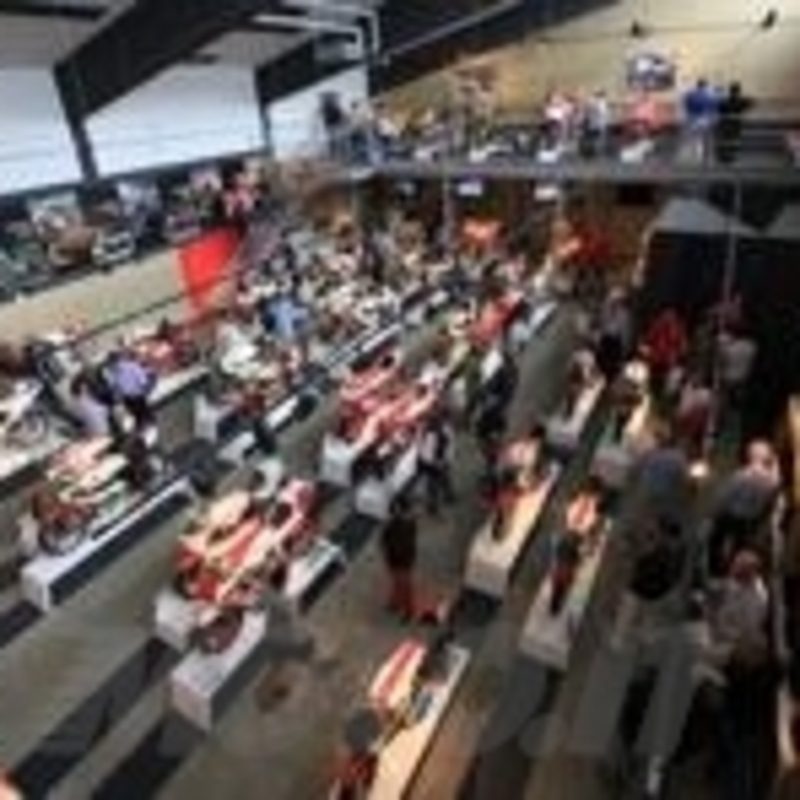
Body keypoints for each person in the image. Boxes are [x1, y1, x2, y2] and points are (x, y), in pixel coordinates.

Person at [708, 440, 781, 577]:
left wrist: (714, 513)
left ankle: (716, 571)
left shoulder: (741, 476)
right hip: (753, 521)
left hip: (732, 518)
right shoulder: (771, 480)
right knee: (741, 548)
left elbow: (724, 499)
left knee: (716, 540)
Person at [379, 495, 418, 621]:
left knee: (404, 585)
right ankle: (395, 603)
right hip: (397, 558)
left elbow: (396, 541)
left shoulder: (405, 524)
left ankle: (408, 610)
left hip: (402, 559)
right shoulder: (401, 522)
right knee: (397, 582)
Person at [104, 348, 156, 430]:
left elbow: (113, 387)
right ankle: (149, 424)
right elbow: (142, 379)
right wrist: (145, 386)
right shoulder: (131, 365)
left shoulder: (111, 372)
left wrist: (118, 397)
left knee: (136, 414)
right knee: (144, 411)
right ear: (120, 357)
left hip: (127, 398)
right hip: (138, 394)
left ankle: (142, 426)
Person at [418, 412, 456, 515]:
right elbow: (422, 445)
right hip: (432, 461)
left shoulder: (440, 432)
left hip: (436, 461)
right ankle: (443, 499)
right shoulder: (427, 430)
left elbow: (447, 446)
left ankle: (436, 503)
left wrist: (444, 460)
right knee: (437, 481)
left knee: (435, 482)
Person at [715, 82, 752, 164]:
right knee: (733, 140)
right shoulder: (740, 101)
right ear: (738, 91)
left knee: (725, 139)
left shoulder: (725, 101)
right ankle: (730, 157)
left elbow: (719, 108)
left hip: (725, 124)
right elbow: (750, 104)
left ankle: (723, 157)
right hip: (735, 124)